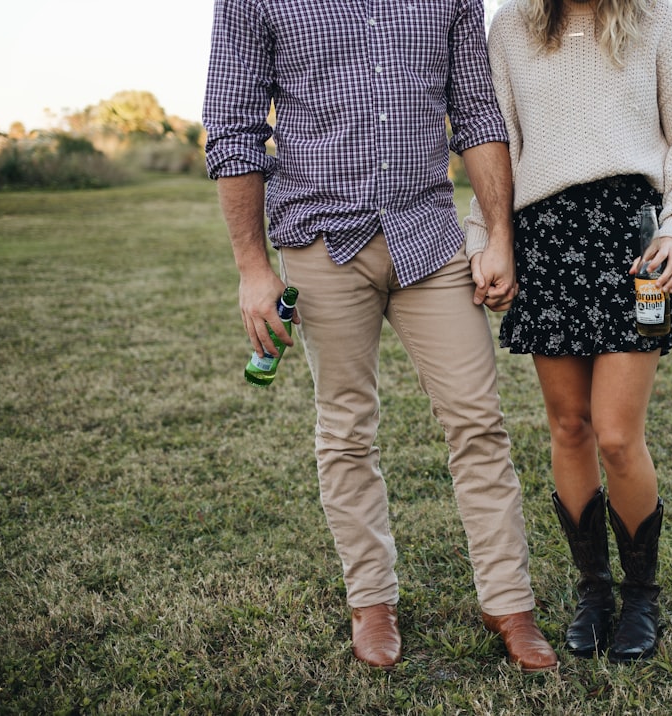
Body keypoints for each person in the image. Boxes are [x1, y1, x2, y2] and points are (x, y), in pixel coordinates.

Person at [202, 0, 557, 672]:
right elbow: (232, 129)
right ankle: (372, 601)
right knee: (345, 429)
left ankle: (510, 604)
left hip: (429, 234)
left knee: (478, 422)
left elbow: (478, 115)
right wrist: (252, 268)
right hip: (320, 240)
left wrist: (499, 234)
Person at [464, 0, 672, 661]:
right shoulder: (511, 27)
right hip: (544, 239)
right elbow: (495, 146)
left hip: (635, 242)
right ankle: (594, 591)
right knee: (569, 426)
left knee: (615, 431)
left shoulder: (656, 18)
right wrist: (486, 241)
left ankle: (640, 597)